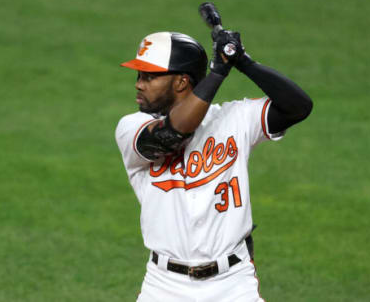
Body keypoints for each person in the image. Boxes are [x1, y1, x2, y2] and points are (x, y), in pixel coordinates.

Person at [115, 30, 312, 302]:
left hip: (233, 283)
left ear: (181, 82)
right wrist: (218, 73)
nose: (139, 84)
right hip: (164, 286)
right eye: (139, 76)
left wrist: (243, 62)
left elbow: (297, 107)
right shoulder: (131, 127)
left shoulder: (235, 119)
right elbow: (172, 134)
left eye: (149, 76)